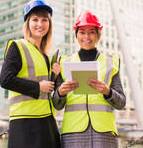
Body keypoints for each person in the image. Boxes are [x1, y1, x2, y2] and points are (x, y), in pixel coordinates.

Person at [52, 10, 126, 148]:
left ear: (98, 34)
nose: (86, 36)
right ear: (76, 34)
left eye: (91, 31)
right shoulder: (64, 62)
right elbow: (57, 105)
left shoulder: (111, 62)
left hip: (105, 134)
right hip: (73, 132)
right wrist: (60, 92)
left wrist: (107, 91)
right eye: (82, 32)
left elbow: (121, 103)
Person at [0, 0, 61, 148]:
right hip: (25, 123)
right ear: (27, 23)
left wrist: (55, 76)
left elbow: (47, 89)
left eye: (44, 20)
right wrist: (37, 87)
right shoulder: (17, 46)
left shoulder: (46, 55)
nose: (40, 24)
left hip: (46, 121)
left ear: (49, 24)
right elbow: (5, 80)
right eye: (35, 19)